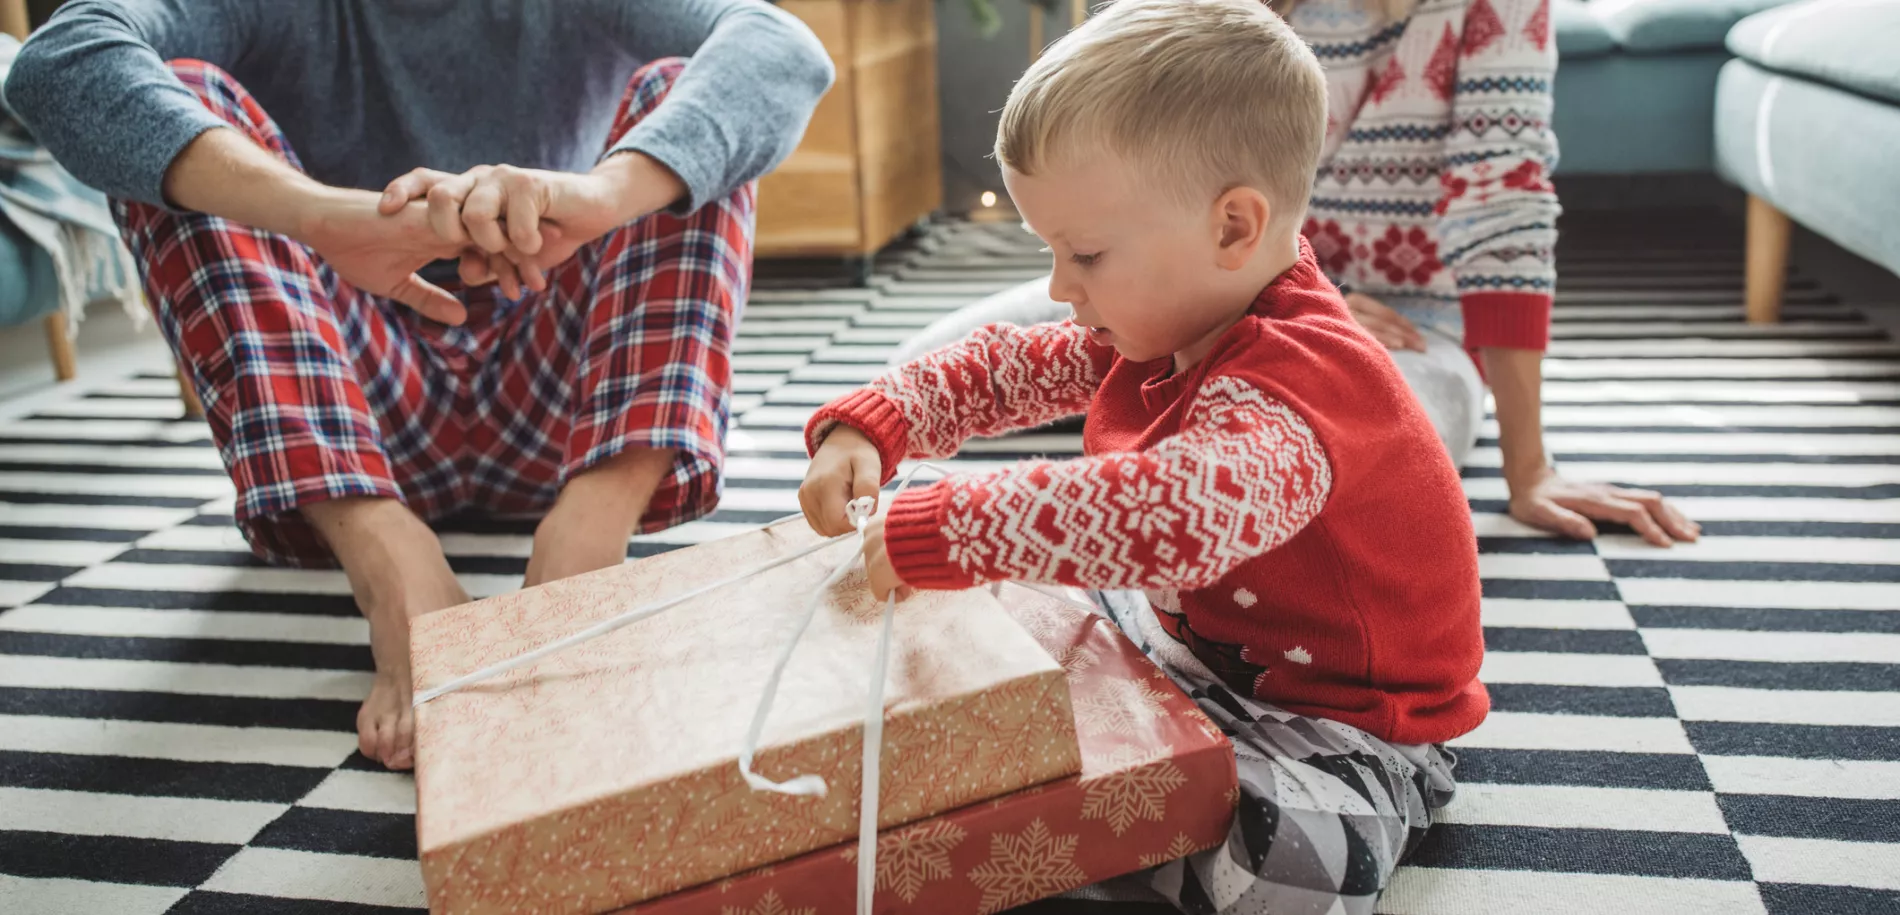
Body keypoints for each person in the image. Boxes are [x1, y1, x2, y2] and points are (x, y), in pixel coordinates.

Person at [4, 0, 834, 770]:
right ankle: (389, 563)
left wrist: (600, 193)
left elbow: (783, 49)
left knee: (690, 99)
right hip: (351, 417)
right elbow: (58, 63)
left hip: (567, 404)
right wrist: (320, 215)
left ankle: (590, 538)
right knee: (183, 106)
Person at [803, 1, 1479, 909]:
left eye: (1082, 253)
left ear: (1234, 227)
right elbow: (1008, 366)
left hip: (1341, 731)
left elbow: (1180, 514)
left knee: (1289, 864)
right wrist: (878, 420)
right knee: (1027, 601)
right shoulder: (1181, 310)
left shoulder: (1306, 378)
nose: (1057, 287)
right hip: (1187, 652)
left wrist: (963, 527)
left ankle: (1061, 831)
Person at [895, 0, 1702, 549]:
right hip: (1212, 278)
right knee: (923, 362)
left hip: (1412, 321)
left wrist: (1530, 468)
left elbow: (1503, 208)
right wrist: (1298, 289)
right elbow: (1149, 163)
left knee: (1360, 489)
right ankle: (1182, 407)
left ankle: (1185, 416)